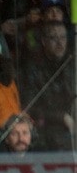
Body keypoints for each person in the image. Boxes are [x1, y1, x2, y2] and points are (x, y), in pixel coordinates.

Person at [21, 20, 74, 151]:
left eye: (63, 37)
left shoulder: (72, 63)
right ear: (44, 41)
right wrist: (62, 117)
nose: (60, 42)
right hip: (48, 128)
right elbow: (30, 106)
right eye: (53, 38)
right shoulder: (33, 68)